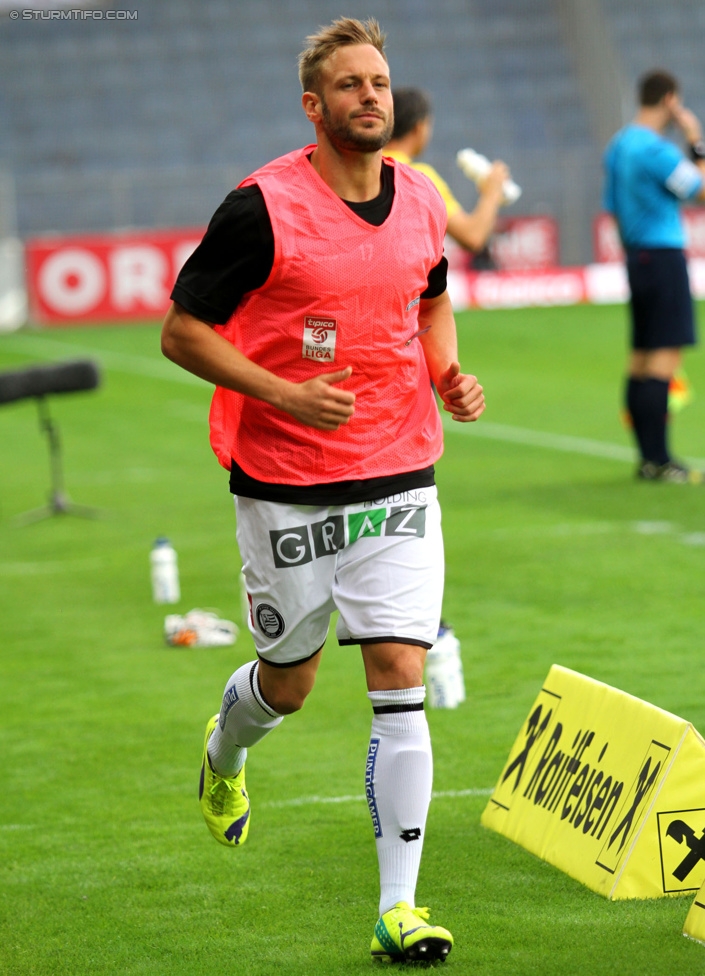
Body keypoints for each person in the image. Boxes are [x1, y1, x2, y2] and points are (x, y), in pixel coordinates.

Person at [161, 17, 485, 964]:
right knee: (291, 686)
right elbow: (183, 331)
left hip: (398, 473)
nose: (370, 96)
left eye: (378, 81)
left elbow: (430, 294)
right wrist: (282, 393)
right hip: (285, 485)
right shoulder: (260, 207)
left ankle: (398, 909)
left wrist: (447, 372)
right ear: (315, 104)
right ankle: (225, 756)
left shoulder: (421, 198)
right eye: (348, 85)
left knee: (400, 676)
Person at [603, 69, 705, 483]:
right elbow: (700, 190)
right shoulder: (656, 150)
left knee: (641, 357)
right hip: (663, 256)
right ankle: (659, 460)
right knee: (663, 358)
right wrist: (696, 138)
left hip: (636, 256)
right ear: (669, 101)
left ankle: (647, 458)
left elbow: (611, 204)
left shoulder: (619, 145)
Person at [384, 86, 509, 257]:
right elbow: (472, 236)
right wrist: (492, 192)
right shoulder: (419, 178)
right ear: (419, 128)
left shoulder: (362, 166)